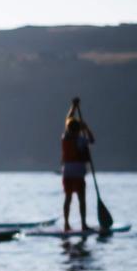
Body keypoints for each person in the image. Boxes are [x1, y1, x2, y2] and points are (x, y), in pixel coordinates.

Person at [61, 98, 96, 232]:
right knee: (81, 199)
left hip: (67, 172)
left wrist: (73, 107)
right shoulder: (81, 140)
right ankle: (83, 224)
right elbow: (92, 140)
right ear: (78, 129)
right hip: (78, 173)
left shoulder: (65, 137)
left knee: (68, 198)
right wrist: (86, 128)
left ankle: (66, 224)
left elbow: (68, 119)